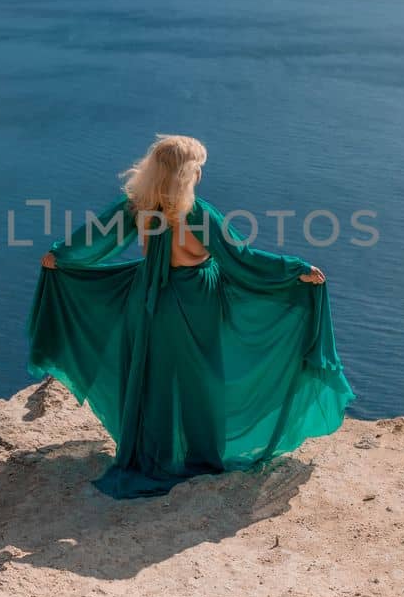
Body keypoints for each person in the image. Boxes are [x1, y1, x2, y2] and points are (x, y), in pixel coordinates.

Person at [27, 134, 354, 498]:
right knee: (201, 381)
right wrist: (295, 271)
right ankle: (199, 456)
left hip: (146, 302)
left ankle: (153, 455)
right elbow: (243, 259)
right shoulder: (199, 215)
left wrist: (59, 257)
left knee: (153, 379)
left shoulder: (138, 205)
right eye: (197, 167)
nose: (200, 173)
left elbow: (91, 241)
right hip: (194, 304)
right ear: (185, 174)